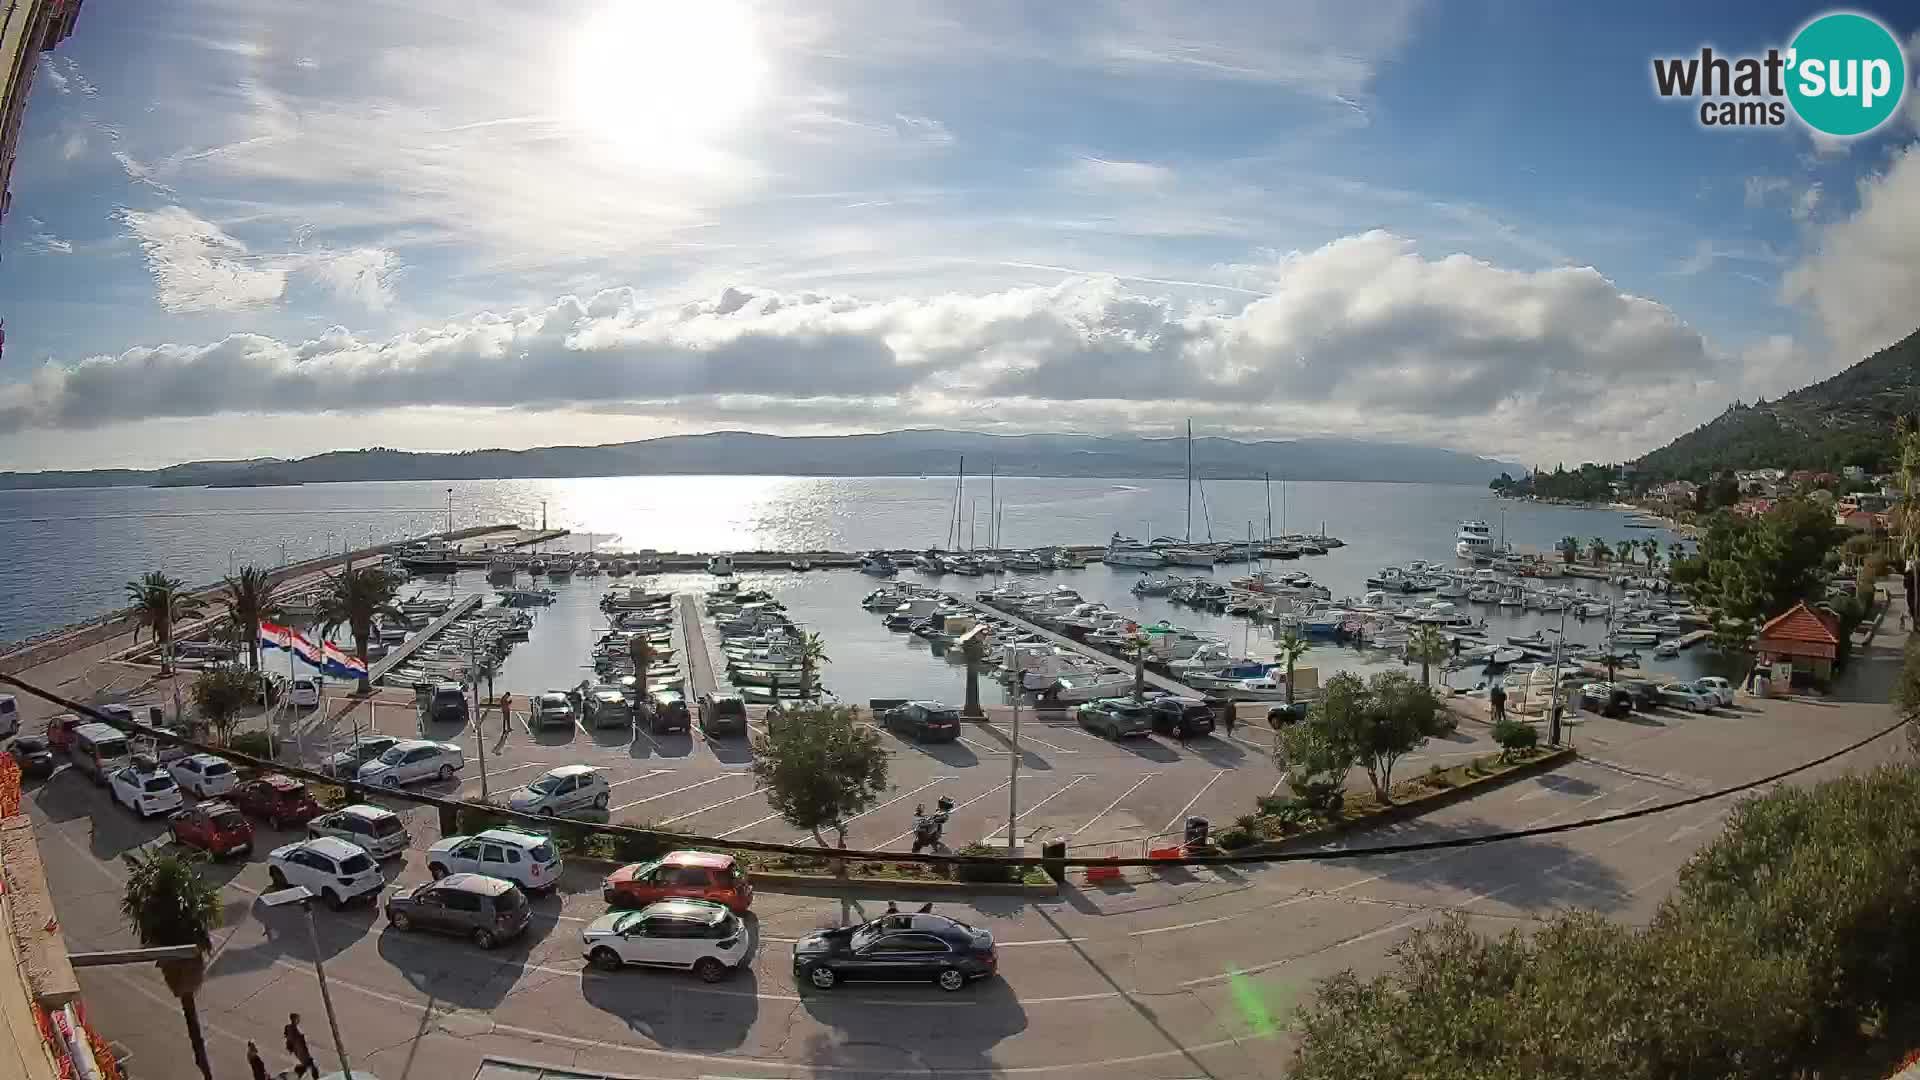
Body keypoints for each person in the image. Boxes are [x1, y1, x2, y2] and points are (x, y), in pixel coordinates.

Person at [284, 1013, 317, 1078]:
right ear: (294, 1019)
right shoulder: (291, 1028)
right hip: (300, 1050)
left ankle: (301, 1075)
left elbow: (289, 1040)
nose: (298, 1020)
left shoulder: (290, 1028)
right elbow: (292, 1040)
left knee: (309, 1064)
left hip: (300, 1050)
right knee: (309, 1063)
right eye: (297, 1019)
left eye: (298, 1018)